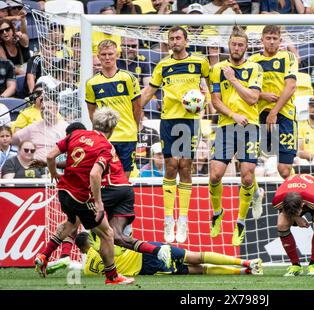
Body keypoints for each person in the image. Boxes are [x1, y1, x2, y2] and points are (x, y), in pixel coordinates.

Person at [34, 108, 134, 285]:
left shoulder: (77, 134)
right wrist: (99, 203)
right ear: (112, 129)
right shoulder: (106, 147)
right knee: (107, 233)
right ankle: (112, 277)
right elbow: (95, 175)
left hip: (63, 191)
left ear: (94, 122)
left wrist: (54, 173)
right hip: (81, 197)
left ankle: (44, 255)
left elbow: (50, 155)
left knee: (71, 222)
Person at [140, 26, 210, 244]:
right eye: (171, 38)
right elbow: (149, 91)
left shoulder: (200, 62)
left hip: (189, 120)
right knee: (171, 166)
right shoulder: (163, 65)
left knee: (185, 166)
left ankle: (184, 217)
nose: (175, 41)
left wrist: (203, 101)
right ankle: (169, 218)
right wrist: (132, 111)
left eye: (178, 37)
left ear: (186, 41)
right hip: (169, 120)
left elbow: (211, 88)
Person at [208, 25, 263, 246]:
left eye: (241, 44)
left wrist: (232, 80)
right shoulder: (217, 68)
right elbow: (215, 100)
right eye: (233, 44)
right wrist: (232, 114)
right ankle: (217, 213)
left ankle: (240, 222)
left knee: (247, 177)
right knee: (214, 175)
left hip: (250, 127)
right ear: (228, 45)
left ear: (246, 47)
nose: (237, 47)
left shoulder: (255, 68)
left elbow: (252, 99)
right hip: (226, 126)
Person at [247, 25, 298, 218]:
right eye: (268, 38)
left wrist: (274, 112)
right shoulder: (253, 61)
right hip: (257, 115)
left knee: (284, 170)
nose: (271, 41)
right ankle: (256, 192)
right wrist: (261, 95)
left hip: (283, 115)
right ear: (261, 39)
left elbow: (291, 86)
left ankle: (298, 198)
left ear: (280, 40)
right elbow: (245, 90)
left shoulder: (288, 58)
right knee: (246, 163)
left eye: (274, 38)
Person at [47, 231, 263, 276]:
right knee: (195, 256)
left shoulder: (88, 268)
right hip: (149, 251)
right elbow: (126, 241)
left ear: (80, 249)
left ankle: (244, 273)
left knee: (196, 270)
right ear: (90, 241)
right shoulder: (106, 246)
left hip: (148, 269)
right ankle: (246, 262)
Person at [86, 39, 142, 177]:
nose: (107, 57)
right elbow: (92, 112)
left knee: (124, 178)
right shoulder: (92, 83)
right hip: (106, 138)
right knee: (104, 177)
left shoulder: (128, 78)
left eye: (110, 54)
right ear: (98, 57)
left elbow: (138, 107)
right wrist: (99, 134)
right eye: (103, 54)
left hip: (127, 136)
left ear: (117, 54)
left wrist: (133, 127)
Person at [272, 174, 314, 276]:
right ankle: (296, 266)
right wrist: (296, 218)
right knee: (281, 225)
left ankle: (313, 265)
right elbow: (284, 209)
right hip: (293, 192)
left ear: (302, 206)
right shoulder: (277, 200)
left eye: (298, 212)